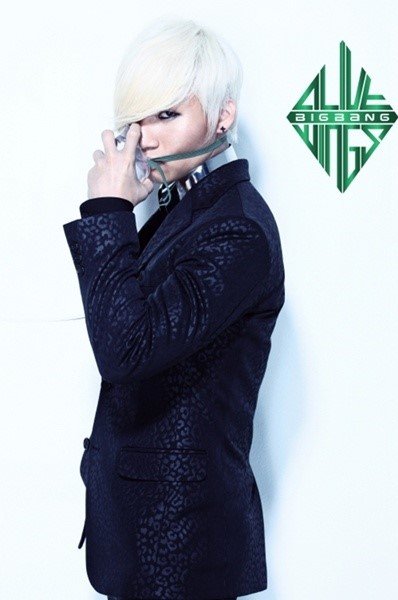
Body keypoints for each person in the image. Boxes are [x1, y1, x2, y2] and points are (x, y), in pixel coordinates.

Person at [63, 16, 285, 600]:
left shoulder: (236, 230)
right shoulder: (186, 213)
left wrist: (109, 210)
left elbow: (126, 349)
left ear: (223, 115)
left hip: (182, 543)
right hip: (146, 533)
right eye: (137, 121)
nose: (147, 139)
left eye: (167, 115)